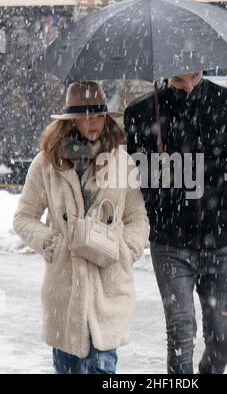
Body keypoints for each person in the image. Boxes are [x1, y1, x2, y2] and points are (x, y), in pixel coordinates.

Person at [124, 72, 227, 374]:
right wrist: (157, 176)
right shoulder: (143, 113)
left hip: (221, 240)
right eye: (182, 73)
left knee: (224, 339)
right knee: (180, 334)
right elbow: (132, 186)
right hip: (170, 241)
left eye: (195, 72)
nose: (190, 82)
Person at [13, 81, 150, 374]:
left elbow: (137, 218)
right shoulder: (46, 164)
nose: (93, 123)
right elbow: (23, 217)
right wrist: (51, 243)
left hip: (108, 288)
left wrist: (126, 249)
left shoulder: (122, 161)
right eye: (85, 116)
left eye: (98, 115)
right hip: (64, 291)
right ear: (71, 120)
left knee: (102, 368)